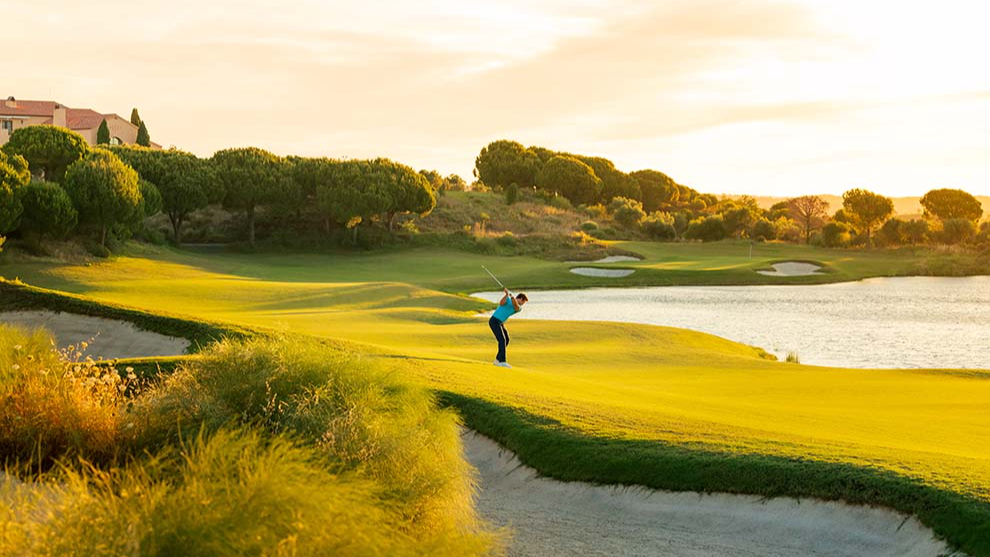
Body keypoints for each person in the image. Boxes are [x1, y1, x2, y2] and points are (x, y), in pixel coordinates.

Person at [489, 288, 528, 368]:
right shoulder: (508, 299)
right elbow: (501, 303)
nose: (522, 304)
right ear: (520, 299)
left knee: (506, 339)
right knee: (502, 340)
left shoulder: (519, 307)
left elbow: (515, 306)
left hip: (500, 323)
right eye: (523, 302)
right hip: (494, 321)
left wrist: (512, 297)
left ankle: (498, 360)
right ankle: (502, 361)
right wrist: (506, 295)